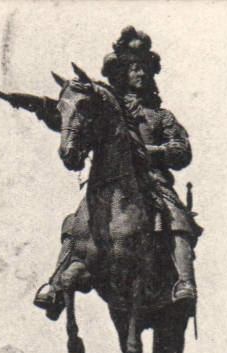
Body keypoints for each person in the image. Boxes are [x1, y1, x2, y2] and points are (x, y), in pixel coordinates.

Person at [34, 27, 201, 315]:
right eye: (132, 69)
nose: (139, 74)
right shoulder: (108, 107)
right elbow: (79, 118)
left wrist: (154, 153)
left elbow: (182, 151)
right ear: (120, 73)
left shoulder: (161, 116)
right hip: (106, 180)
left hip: (152, 181)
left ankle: (184, 283)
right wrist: (45, 110)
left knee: (176, 219)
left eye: (143, 69)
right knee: (76, 223)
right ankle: (56, 286)